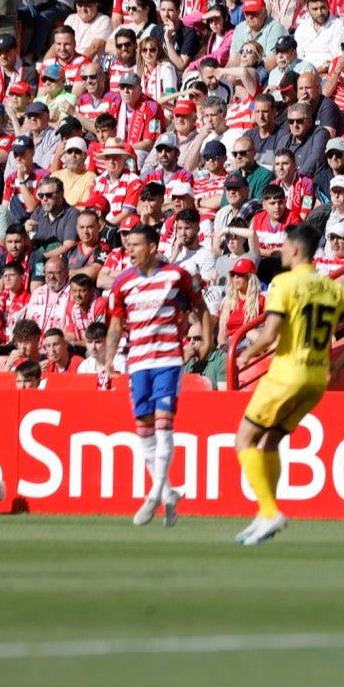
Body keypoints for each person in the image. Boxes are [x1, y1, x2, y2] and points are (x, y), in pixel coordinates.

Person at [233, 223, 344, 546]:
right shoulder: (332, 287)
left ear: (294, 250)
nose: (278, 251)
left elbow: (270, 333)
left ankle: (269, 511)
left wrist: (246, 353)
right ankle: (266, 515)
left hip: (286, 374)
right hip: (316, 378)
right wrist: (338, 366)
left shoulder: (283, 283)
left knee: (244, 441)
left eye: (282, 246)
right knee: (270, 442)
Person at [101, 225, 214, 528]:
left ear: (152, 247)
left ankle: (153, 494)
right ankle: (167, 491)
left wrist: (207, 340)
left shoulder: (176, 276)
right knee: (144, 430)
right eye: (128, 246)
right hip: (137, 363)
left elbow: (201, 307)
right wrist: (109, 359)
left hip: (168, 359)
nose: (130, 251)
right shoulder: (122, 283)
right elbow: (115, 324)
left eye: (136, 245)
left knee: (164, 426)